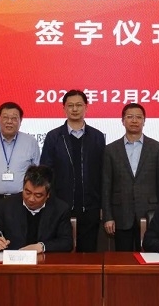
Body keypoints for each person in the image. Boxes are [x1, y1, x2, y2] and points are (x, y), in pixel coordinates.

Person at [40, 89, 105, 252]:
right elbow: (45, 172)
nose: (75, 109)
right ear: (64, 108)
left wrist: (102, 205)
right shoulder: (53, 137)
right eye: (70, 105)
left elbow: (102, 173)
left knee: (88, 254)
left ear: (86, 107)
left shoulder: (97, 136)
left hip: (90, 206)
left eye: (79, 105)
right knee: (60, 252)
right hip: (60, 207)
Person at [102, 103, 159, 251]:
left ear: (144, 121)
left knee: (149, 256)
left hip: (149, 213)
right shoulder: (111, 149)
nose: (134, 120)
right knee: (123, 258)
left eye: (138, 117)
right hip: (121, 214)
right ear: (122, 121)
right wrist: (108, 216)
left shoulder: (156, 147)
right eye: (130, 117)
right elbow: (106, 185)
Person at [0, 165, 73, 253]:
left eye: (38, 195)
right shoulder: (7, 205)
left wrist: (42, 246)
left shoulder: (60, 209)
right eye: (27, 192)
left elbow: (67, 242)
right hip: (14, 260)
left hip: (45, 261)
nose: (31, 199)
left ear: (48, 195)